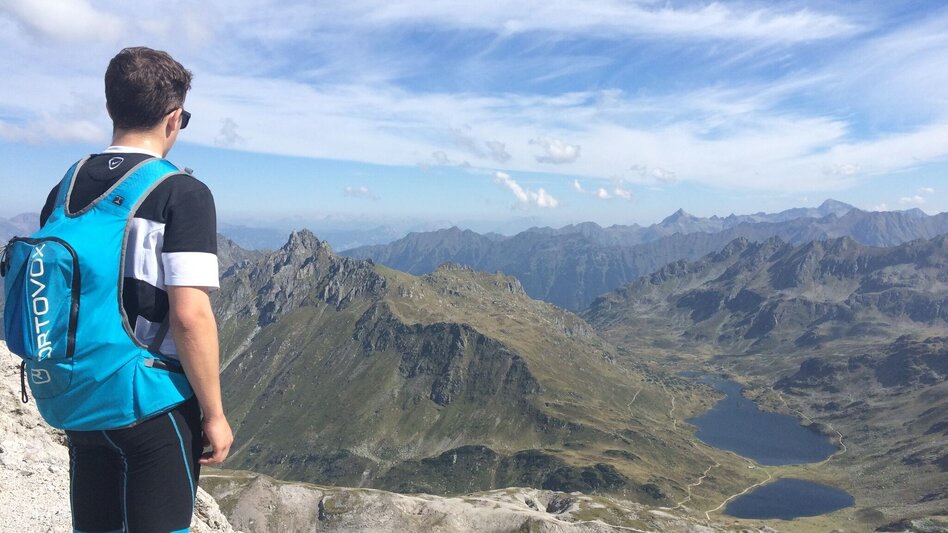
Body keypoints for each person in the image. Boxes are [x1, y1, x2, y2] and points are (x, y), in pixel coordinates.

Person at [36, 46, 233, 533]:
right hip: (151, 404)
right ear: (174, 118)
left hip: (75, 398)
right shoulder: (182, 193)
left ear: (110, 109)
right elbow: (190, 316)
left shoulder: (64, 188)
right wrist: (214, 414)